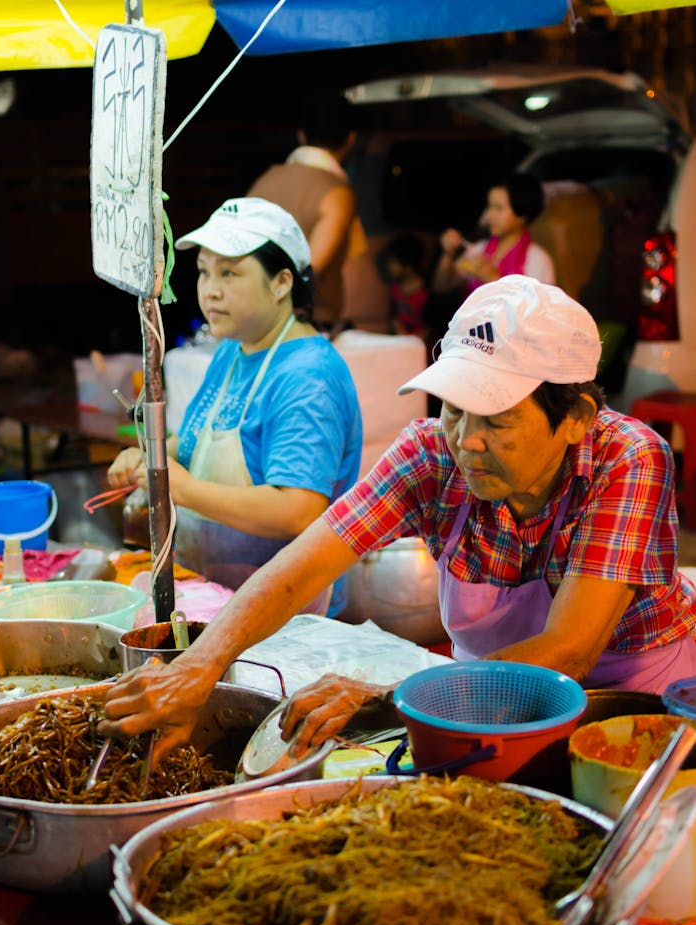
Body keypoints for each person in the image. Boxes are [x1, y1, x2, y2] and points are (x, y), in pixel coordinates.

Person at [101, 275, 696, 764]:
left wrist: (388, 700)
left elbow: (569, 651)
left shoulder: (629, 459)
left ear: (576, 418)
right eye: (454, 410)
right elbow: (301, 567)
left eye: (496, 418)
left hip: (625, 709)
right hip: (472, 700)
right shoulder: (430, 452)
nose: (468, 442)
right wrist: (197, 670)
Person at [107, 197, 363, 616]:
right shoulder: (233, 352)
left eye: (230, 272)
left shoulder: (307, 375)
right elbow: (193, 443)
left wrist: (185, 490)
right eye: (205, 272)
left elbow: (298, 509)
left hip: (287, 613)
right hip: (216, 599)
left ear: (281, 283)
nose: (211, 289)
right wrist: (150, 458)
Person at [247, 94, 365, 330]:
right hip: (305, 323)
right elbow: (310, 270)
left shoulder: (265, 180)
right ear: (351, 139)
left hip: (254, 318)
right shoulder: (337, 192)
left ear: (301, 136)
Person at [431, 172, 555, 298]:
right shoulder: (480, 249)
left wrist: (494, 278)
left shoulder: (538, 260)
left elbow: (539, 311)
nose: (490, 215)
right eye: (489, 206)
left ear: (522, 214)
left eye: (498, 208)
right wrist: (448, 254)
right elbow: (441, 287)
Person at [382, 233, 430, 342]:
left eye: (392, 261)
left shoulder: (426, 291)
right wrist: (402, 336)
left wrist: (414, 341)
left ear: (408, 266)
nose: (388, 265)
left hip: (422, 342)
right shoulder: (395, 287)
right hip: (402, 341)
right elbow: (394, 317)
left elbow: (430, 325)